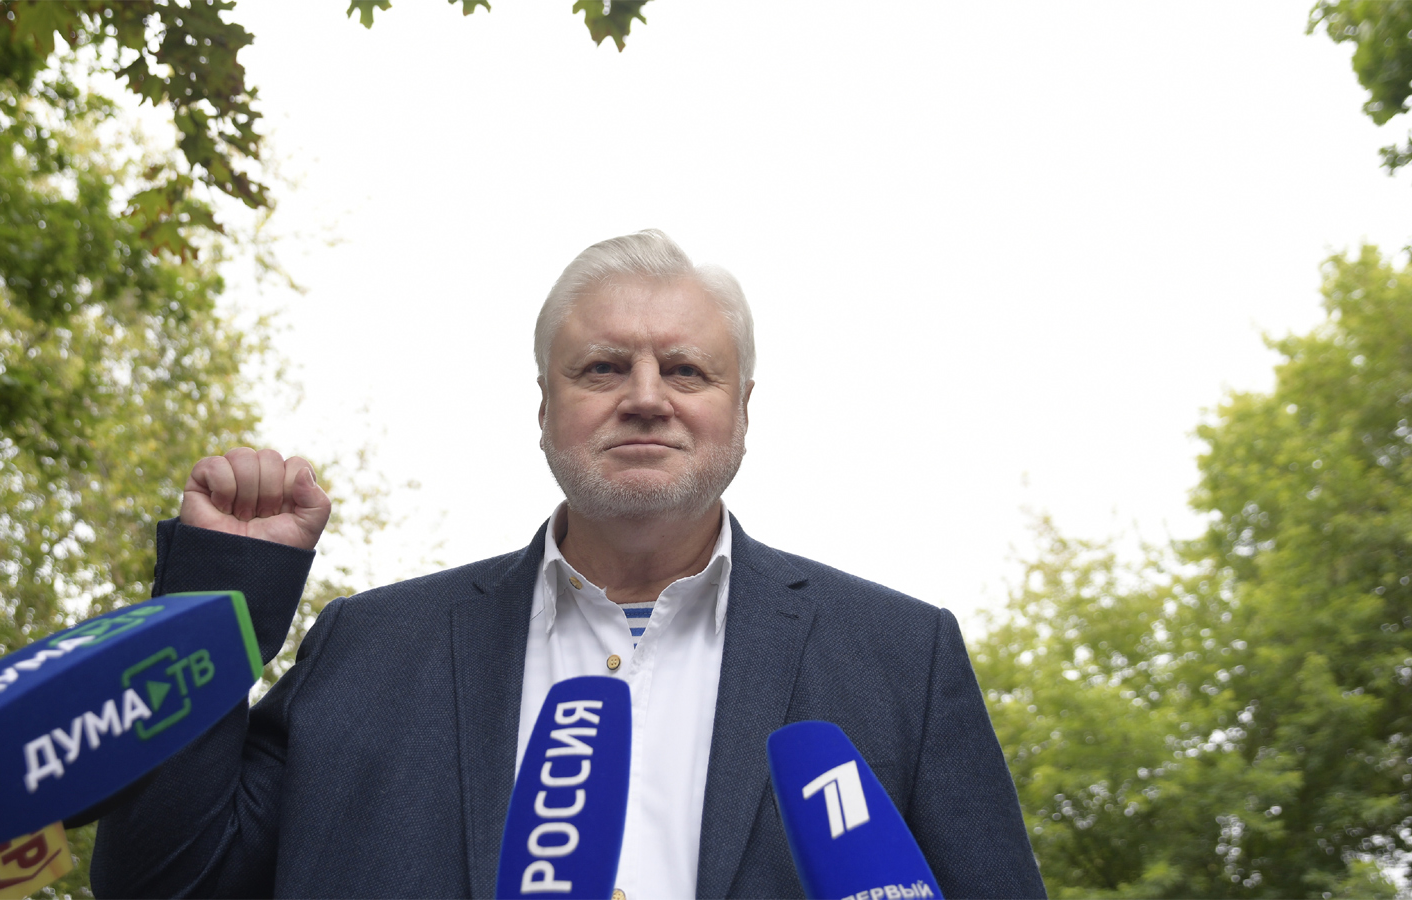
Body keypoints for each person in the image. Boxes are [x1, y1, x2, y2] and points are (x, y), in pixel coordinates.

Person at [91, 231, 1045, 899]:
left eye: (686, 370)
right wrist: (215, 602)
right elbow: (165, 885)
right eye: (601, 369)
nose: (646, 398)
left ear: (743, 410)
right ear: (545, 408)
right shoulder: (367, 646)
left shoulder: (901, 657)